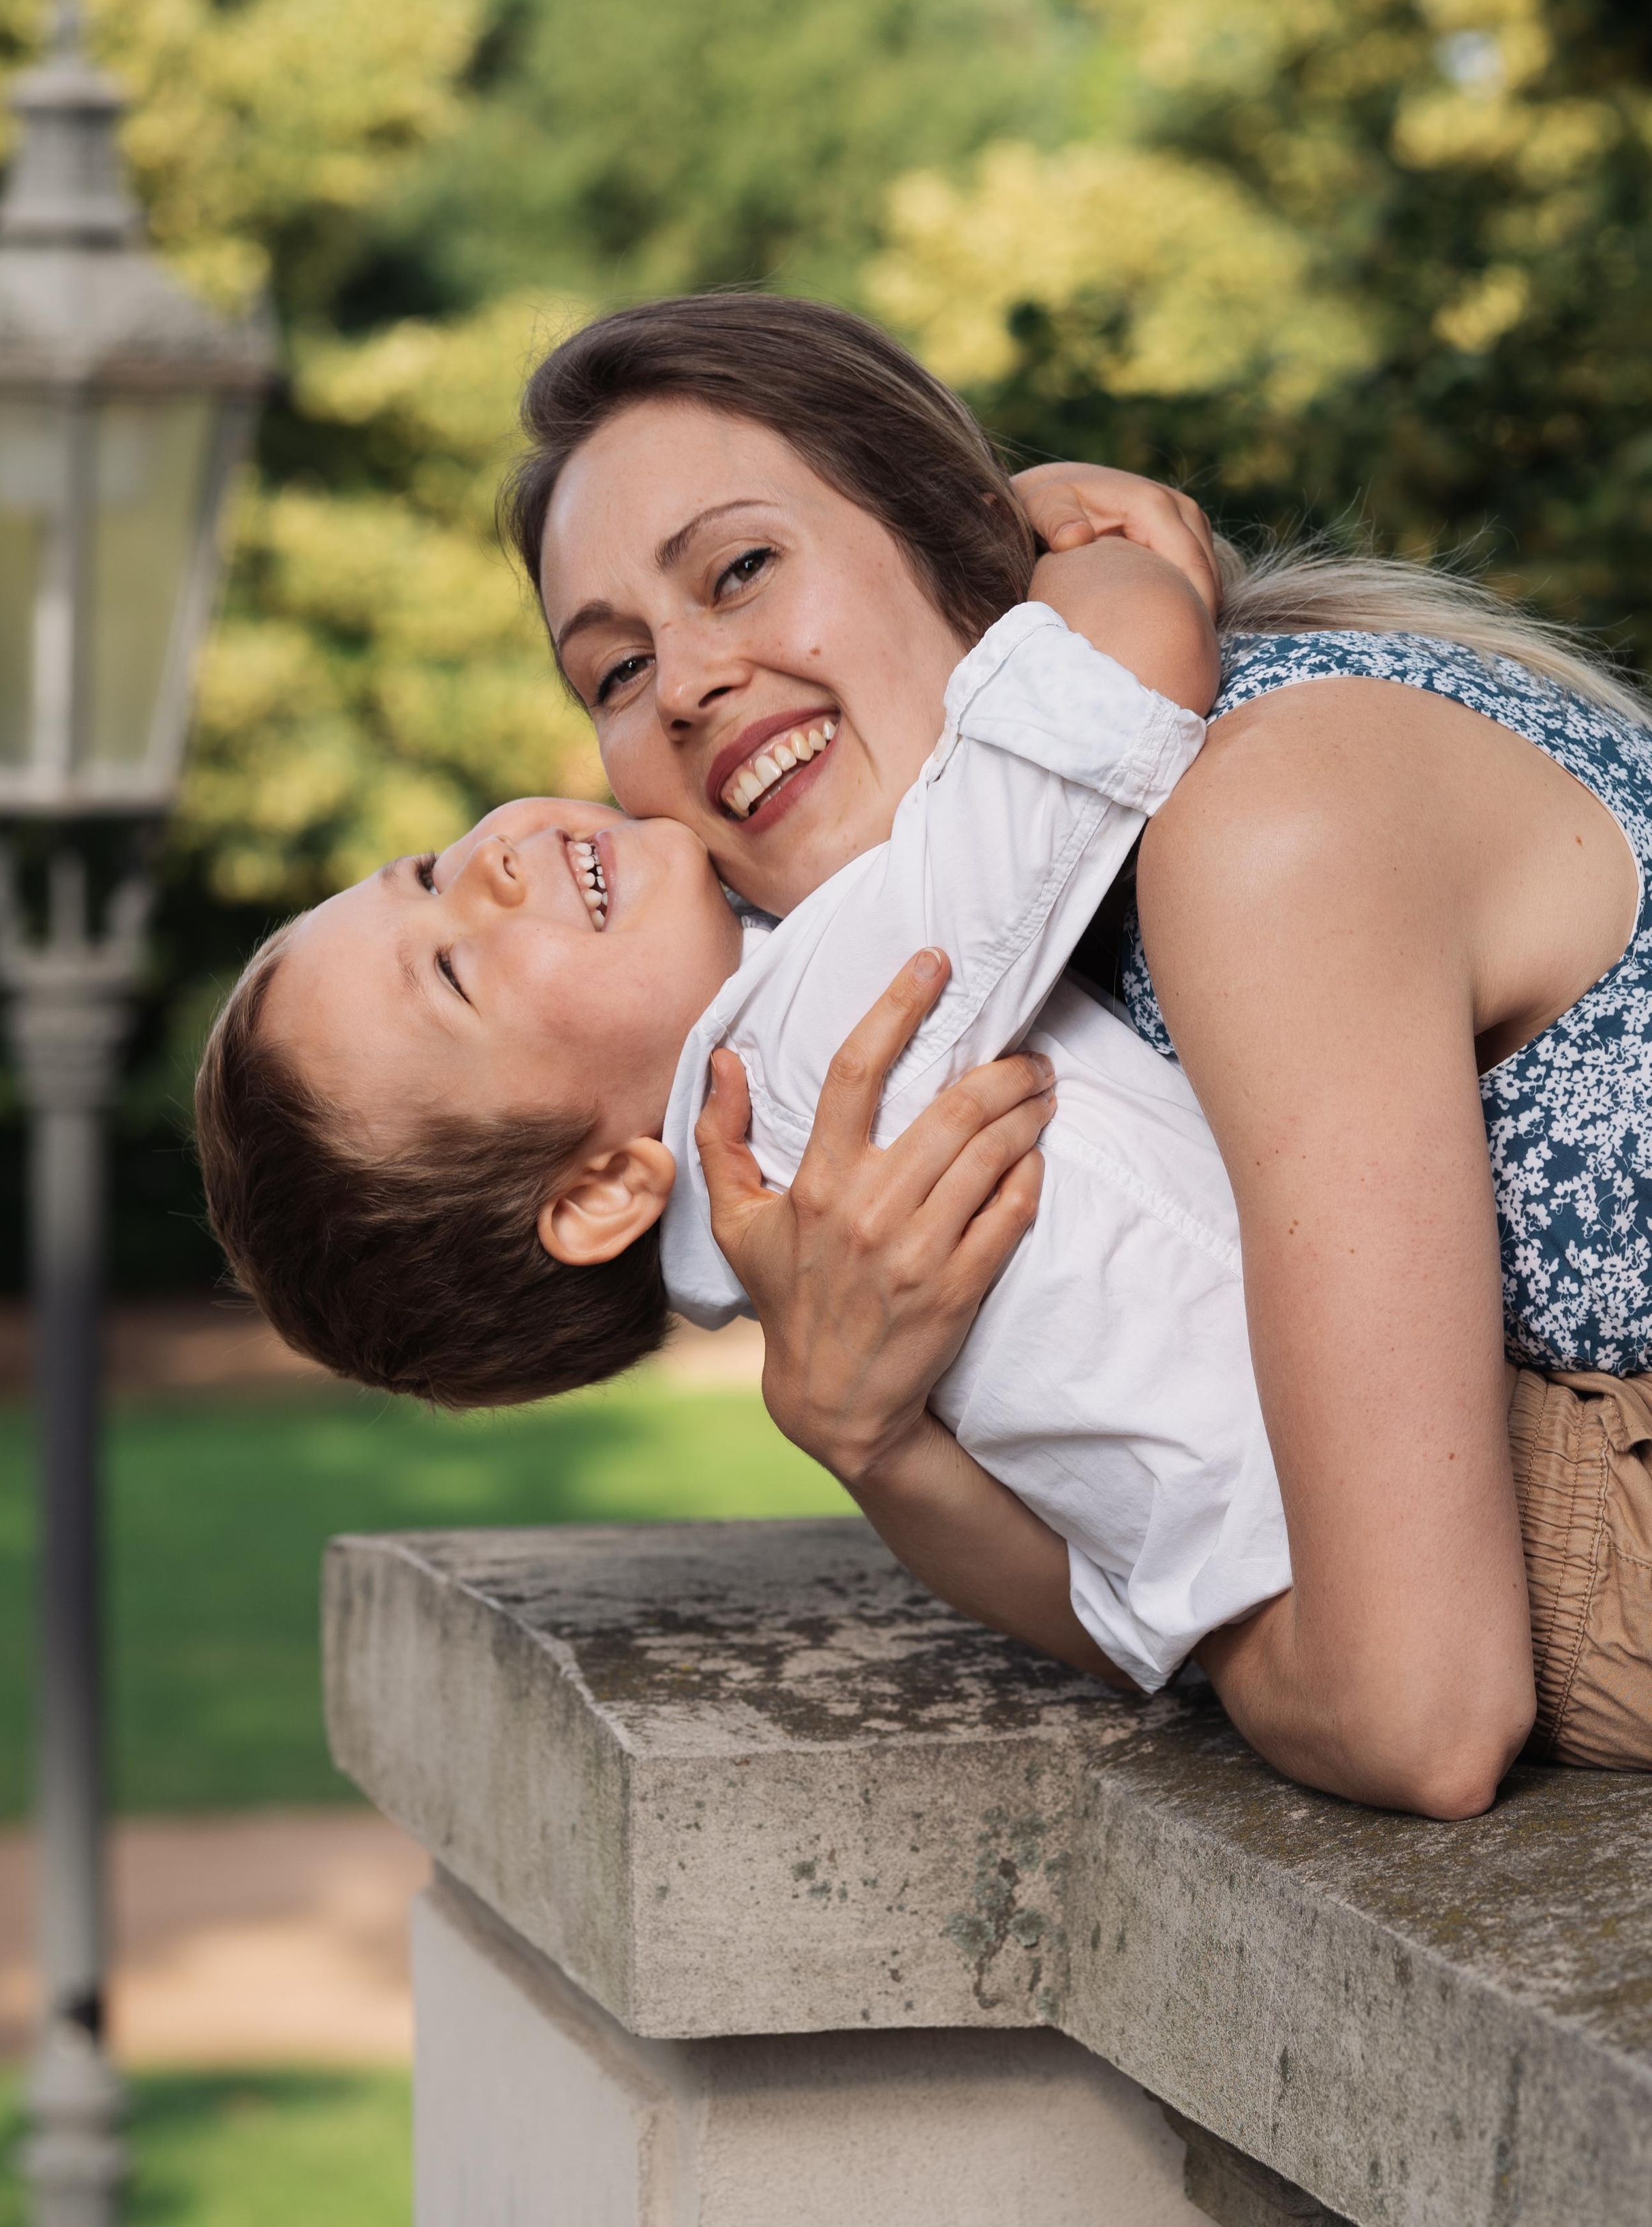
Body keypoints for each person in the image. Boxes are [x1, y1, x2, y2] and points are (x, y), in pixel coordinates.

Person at [501, 292, 1652, 1816]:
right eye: (616, 672)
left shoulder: (1257, 825)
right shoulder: (1032, 951)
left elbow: (1414, 1712)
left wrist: (1249, 1653)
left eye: (739, 569)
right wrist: (865, 1436)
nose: (690, 677)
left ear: (945, 535)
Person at [198, 512, 1306, 1692]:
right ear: (607, 1190)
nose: (491, 864)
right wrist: (1061, 527)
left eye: (425, 874)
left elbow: (1140, 1621)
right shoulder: (812, 1059)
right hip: (1413, 1480)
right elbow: (1127, 662)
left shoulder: (800, 1265)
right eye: (456, 972)